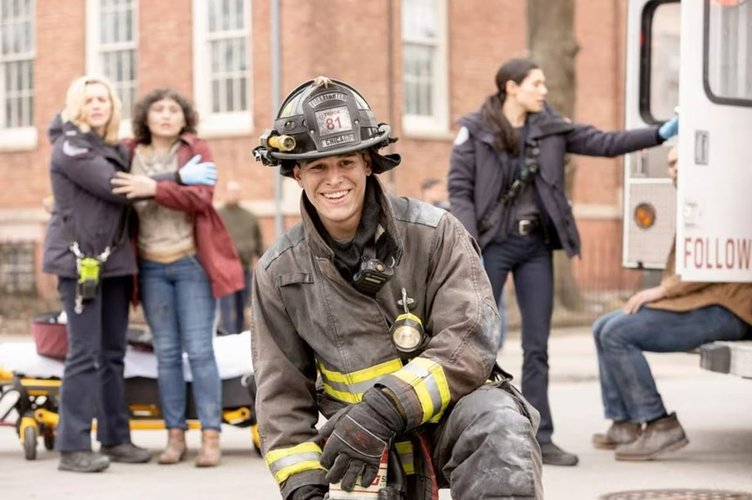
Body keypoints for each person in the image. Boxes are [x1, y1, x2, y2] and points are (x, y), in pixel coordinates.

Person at [251, 76, 543, 500]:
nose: (335, 179)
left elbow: (470, 342)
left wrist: (386, 408)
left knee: (497, 420)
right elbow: (280, 396)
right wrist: (302, 487)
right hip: (358, 445)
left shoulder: (435, 233)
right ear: (297, 173)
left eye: (346, 162)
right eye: (318, 166)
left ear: (368, 163)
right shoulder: (280, 272)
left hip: (448, 421)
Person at [447, 58, 679, 466]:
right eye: (537, 83)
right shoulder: (475, 131)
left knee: (537, 347)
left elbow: (605, 143)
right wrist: (469, 244)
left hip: (536, 246)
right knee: (477, 342)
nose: (544, 91)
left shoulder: (552, 129)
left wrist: (660, 133)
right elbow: (460, 190)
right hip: (492, 246)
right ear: (511, 87)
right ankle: (477, 436)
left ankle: (541, 437)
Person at [110, 88, 244, 467]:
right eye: (159, 109)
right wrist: (172, 182)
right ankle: (174, 437)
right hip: (150, 266)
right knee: (166, 354)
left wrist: (152, 187)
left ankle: (211, 436)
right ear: (146, 118)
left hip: (191, 265)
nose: (167, 115)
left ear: (185, 118)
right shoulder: (129, 150)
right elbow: (118, 191)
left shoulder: (196, 149)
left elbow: (200, 198)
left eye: (174, 109)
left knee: (200, 351)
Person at [591, 147, 752, 461]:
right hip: (703, 300)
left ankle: (658, 422)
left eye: (679, 163)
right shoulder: (698, 200)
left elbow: (710, 263)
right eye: (670, 165)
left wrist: (661, 291)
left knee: (618, 333)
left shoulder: (717, 202)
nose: (672, 171)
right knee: (602, 327)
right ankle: (624, 422)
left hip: (729, 307)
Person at [42, 75, 152, 472]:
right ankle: (73, 446)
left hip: (116, 261)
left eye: (103, 98)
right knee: (85, 354)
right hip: (79, 262)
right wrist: (170, 182)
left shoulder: (112, 146)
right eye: (88, 99)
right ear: (76, 106)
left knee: (112, 354)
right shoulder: (70, 146)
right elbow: (113, 186)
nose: (97, 105)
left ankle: (115, 438)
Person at [217, 180, 264, 333]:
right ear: (226, 193)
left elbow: (258, 241)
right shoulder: (218, 216)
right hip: (224, 268)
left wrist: (263, 262)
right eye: (231, 191)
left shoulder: (249, 217)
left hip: (244, 267)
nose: (234, 195)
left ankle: (237, 332)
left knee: (241, 302)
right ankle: (227, 332)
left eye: (236, 192)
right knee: (226, 303)